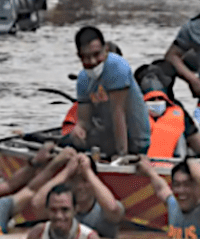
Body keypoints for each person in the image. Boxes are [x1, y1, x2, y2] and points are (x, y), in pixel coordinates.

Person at [61, 26, 151, 159]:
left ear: (106, 49)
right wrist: (79, 129)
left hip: (133, 139)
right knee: (63, 143)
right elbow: (84, 120)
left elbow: (118, 113)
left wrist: (121, 155)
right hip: (106, 136)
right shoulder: (83, 79)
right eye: (86, 57)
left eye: (96, 55)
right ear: (79, 56)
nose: (92, 62)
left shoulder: (117, 67)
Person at [32, 151, 125, 239]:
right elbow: (36, 204)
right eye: (74, 180)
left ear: (94, 180)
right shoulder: (60, 210)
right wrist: (66, 172)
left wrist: (87, 171)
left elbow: (113, 209)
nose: (79, 186)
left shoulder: (104, 209)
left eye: (85, 180)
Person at [137, 155, 200, 239]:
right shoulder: (173, 205)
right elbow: (161, 188)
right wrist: (149, 170)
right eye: (177, 185)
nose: (181, 190)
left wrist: (189, 158)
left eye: (187, 184)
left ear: (197, 187)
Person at [21, 184, 107, 239]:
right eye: (53, 210)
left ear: (75, 210)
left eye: (65, 210)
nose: (58, 216)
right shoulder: (38, 233)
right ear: (47, 210)